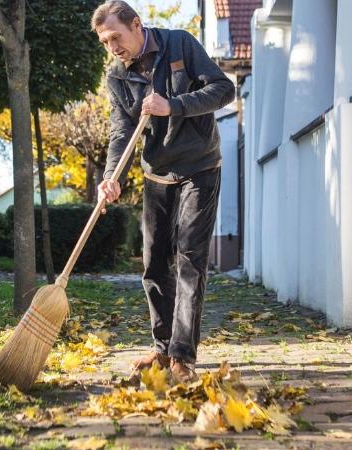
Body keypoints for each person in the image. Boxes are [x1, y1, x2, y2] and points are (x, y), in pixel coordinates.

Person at [91, 1, 235, 382]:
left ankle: (182, 356)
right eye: (105, 42)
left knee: (189, 258)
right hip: (157, 174)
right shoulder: (117, 77)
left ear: (136, 25)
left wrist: (172, 105)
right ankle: (161, 347)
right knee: (153, 263)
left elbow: (224, 90)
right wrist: (111, 175)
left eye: (115, 37)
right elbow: (121, 132)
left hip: (199, 167)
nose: (112, 47)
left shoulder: (180, 45)